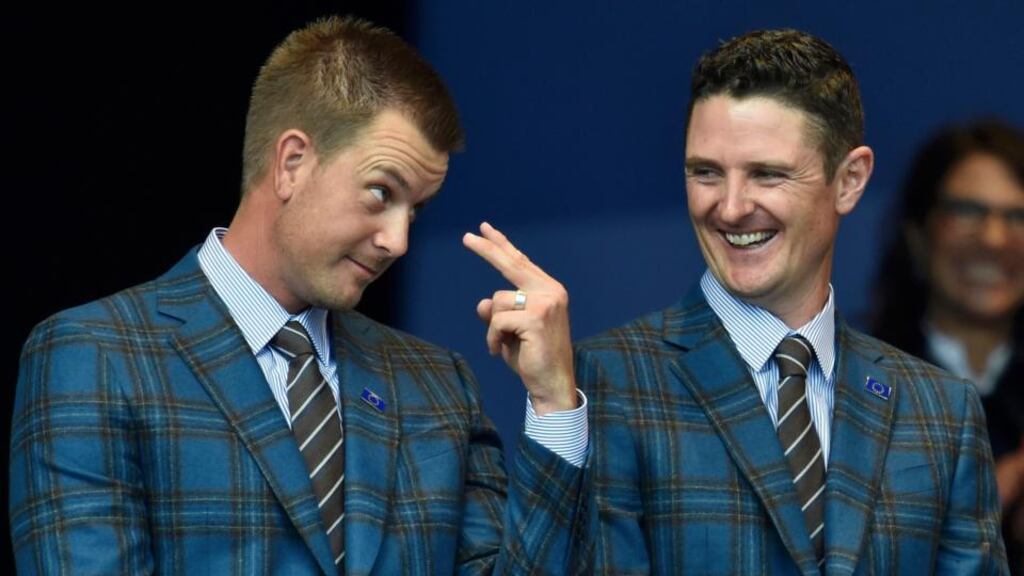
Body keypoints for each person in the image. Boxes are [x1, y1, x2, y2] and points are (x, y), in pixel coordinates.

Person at [9, 16, 588, 575]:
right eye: (381, 192)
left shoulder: (441, 386)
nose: (398, 241)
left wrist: (554, 405)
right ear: (291, 163)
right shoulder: (94, 357)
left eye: (415, 210)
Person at [575, 29, 1009, 574]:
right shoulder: (609, 381)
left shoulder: (942, 411)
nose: (731, 208)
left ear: (849, 181)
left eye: (767, 174)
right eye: (706, 172)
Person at [871, 119, 1024, 573]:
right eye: (967, 211)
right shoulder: (852, 385)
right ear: (918, 235)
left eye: (1018, 217)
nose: (993, 239)